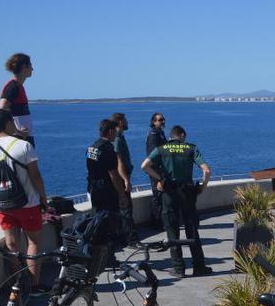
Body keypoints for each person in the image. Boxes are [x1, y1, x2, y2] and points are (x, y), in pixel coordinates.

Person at [0, 110, 50, 294]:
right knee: (33, 241)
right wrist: (44, 198)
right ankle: (35, 285)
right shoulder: (23, 146)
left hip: (3, 205)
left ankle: (18, 285)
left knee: (12, 244)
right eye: (12, 122)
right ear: (7, 124)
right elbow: (35, 176)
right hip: (28, 203)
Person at [141, 125, 212, 278]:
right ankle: (199, 266)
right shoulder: (190, 148)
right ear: (182, 135)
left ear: (171, 136)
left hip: (169, 193)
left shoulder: (161, 149)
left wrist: (160, 178)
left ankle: (179, 269)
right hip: (187, 192)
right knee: (191, 229)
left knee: (172, 230)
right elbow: (206, 170)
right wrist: (202, 187)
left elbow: (144, 166)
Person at [87, 119, 128, 250]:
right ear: (110, 131)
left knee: (98, 219)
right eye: (115, 132)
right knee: (108, 222)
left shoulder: (92, 147)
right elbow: (113, 174)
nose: (116, 134)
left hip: (94, 188)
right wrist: (122, 194)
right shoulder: (107, 148)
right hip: (106, 190)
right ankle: (108, 253)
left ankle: (97, 250)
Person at [0, 53, 36, 147]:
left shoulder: (18, 86)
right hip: (18, 139)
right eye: (30, 65)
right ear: (24, 67)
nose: (32, 69)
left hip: (22, 137)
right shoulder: (13, 86)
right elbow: (1, 108)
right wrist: (16, 130)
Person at [111, 113, 137, 244]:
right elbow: (118, 161)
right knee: (126, 208)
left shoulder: (120, 137)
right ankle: (130, 239)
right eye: (126, 120)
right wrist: (126, 180)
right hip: (121, 179)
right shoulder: (117, 139)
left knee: (126, 208)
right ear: (120, 122)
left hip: (123, 176)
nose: (127, 122)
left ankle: (127, 237)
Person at [146, 112, 167, 229]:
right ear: (154, 121)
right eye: (160, 120)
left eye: (163, 119)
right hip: (155, 170)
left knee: (160, 195)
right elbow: (153, 155)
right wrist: (158, 174)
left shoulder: (160, 132)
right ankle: (156, 222)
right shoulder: (153, 134)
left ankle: (159, 221)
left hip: (161, 169)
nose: (162, 121)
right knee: (157, 195)